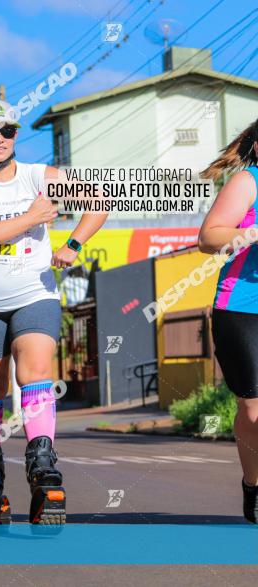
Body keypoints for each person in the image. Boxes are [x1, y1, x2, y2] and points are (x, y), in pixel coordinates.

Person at [0, 99, 108, 525]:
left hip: (35, 293)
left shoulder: (39, 176)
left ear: (17, 135)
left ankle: (43, 467)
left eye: (8, 131)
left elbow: (103, 198)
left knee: (34, 373)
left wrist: (73, 244)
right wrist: (33, 215)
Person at [198, 117, 258, 524]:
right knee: (254, 411)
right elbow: (209, 236)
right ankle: (253, 486)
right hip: (242, 307)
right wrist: (251, 236)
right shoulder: (248, 182)